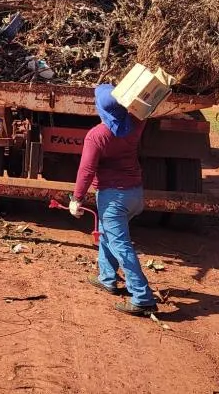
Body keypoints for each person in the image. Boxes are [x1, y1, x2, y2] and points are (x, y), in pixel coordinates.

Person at [70, 83, 158, 316]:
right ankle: (107, 278)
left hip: (113, 197)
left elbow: (86, 170)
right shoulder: (136, 123)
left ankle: (142, 297)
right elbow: (148, 104)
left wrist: (76, 199)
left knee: (121, 244)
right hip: (135, 194)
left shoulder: (97, 136)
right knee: (110, 234)